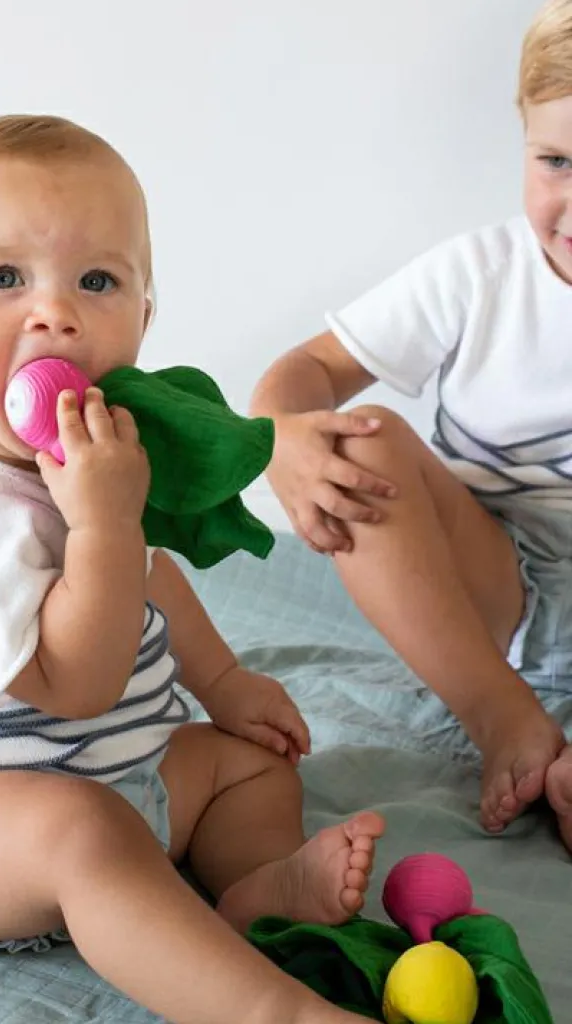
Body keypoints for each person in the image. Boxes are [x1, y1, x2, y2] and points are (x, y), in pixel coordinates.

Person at [0, 113, 383, 1024]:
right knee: (81, 831)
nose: (56, 313)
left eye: (97, 281)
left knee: (248, 768)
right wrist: (103, 522)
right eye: (4, 278)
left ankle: (254, 891)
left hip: (121, 772)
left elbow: (150, 575)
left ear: (144, 318)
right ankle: (272, 1010)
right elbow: (74, 685)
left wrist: (223, 683)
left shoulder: (92, 457)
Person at [250, 0, 572, 850]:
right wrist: (279, 432)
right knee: (359, 439)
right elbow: (309, 369)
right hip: (494, 593)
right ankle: (502, 714)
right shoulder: (481, 274)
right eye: (557, 162)